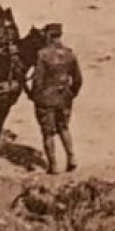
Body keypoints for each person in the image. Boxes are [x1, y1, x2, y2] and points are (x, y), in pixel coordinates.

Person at [25, 23, 83, 175]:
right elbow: (78, 79)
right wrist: (71, 94)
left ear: (48, 36)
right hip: (64, 98)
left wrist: (33, 95)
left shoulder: (43, 55)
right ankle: (72, 159)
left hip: (45, 99)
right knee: (64, 128)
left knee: (48, 133)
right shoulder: (70, 54)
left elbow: (37, 80)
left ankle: (53, 166)